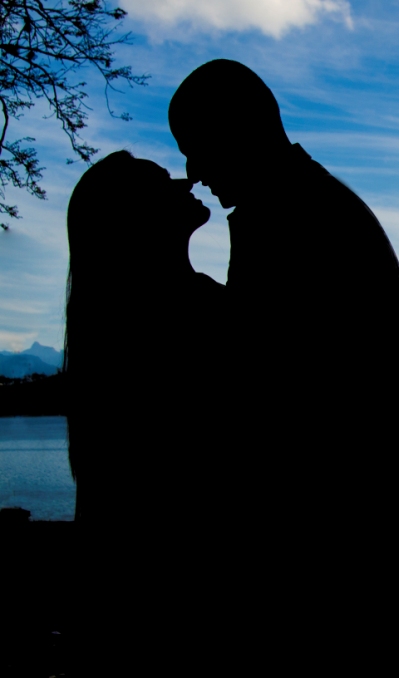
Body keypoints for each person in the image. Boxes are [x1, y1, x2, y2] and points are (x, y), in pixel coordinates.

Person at [168, 60, 399, 537]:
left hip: (339, 516)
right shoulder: (304, 204)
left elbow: (263, 385)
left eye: (195, 146)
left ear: (236, 128)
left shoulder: (289, 218)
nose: (192, 171)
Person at [64, 150, 226, 673]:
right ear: (133, 220)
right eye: (163, 182)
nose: (187, 180)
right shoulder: (195, 317)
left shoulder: (111, 334)